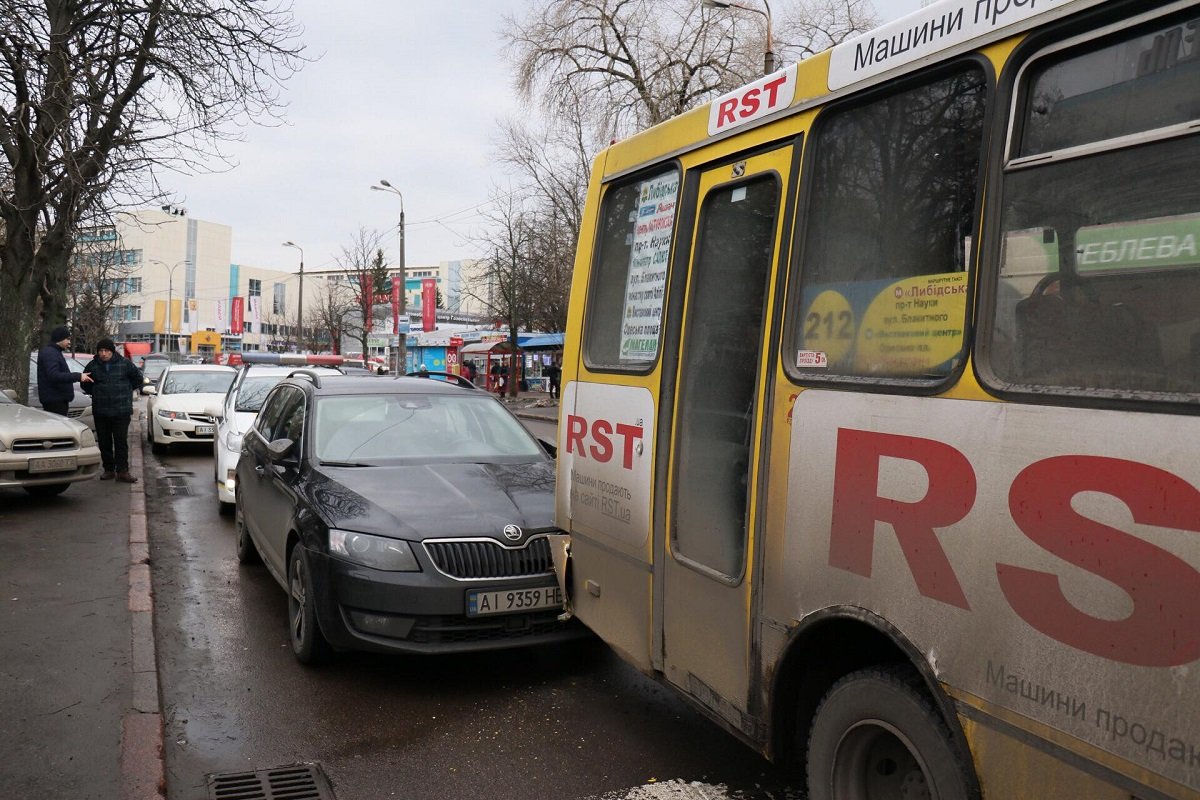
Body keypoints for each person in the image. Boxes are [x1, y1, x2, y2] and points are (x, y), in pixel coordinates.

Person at [81, 338, 143, 483]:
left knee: (121, 441)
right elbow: (85, 384)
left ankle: (122, 471)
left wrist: (126, 390)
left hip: (121, 410)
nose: (103, 354)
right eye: (101, 351)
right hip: (101, 410)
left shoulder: (125, 364)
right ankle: (109, 469)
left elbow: (138, 379)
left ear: (112, 351)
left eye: (106, 351)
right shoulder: (93, 365)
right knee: (104, 442)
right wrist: (97, 392)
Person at [36, 325, 92, 415]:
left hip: (56, 399)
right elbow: (54, 375)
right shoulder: (51, 353)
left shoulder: (54, 352)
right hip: (55, 400)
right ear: (60, 338)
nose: (69, 342)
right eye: (68, 339)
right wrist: (78, 376)